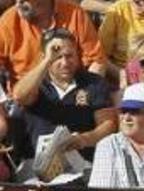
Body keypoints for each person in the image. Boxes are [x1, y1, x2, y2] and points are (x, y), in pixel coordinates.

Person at [11, 28, 115, 163]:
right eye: (58, 57)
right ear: (44, 57)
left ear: (77, 55)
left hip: (82, 166)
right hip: (36, 167)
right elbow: (20, 96)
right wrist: (47, 60)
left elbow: (108, 124)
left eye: (69, 55)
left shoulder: (94, 82)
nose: (65, 63)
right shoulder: (36, 84)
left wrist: (84, 139)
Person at [0, 0, 106, 82]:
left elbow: (96, 61)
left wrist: (88, 95)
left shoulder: (75, 14)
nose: (18, 3)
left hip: (73, 93)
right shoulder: (7, 22)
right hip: (27, 99)